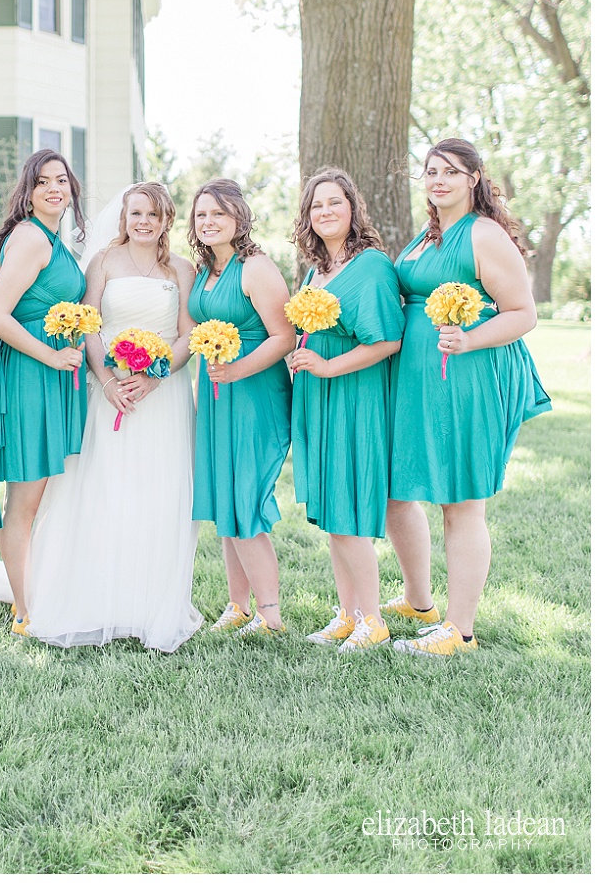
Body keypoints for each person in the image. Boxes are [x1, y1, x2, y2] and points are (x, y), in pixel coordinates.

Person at [0, 182, 203, 652]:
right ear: (124, 217)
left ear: (167, 221)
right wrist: (107, 380)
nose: (143, 221)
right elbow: (90, 322)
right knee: (104, 487)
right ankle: (98, 596)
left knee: (158, 493)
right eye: (135, 212)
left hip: (164, 395)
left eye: (153, 215)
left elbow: (187, 334)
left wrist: (155, 377)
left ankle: (148, 602)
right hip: (108, 392)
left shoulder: (182, 268)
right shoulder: (101, 262)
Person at [385, 138, 550, 657]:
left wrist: (471, 339)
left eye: (451, 172)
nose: (438, 181)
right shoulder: (427, 234)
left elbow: (523, 313)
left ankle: (460, 630)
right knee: (397, 492)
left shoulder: (484, 235)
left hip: (464, 379)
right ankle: (418, 602)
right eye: (431, 172)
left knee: (461, 502)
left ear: (474, 178)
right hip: (415, 382)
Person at [286, 168, 403, 653]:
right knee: (334, 512)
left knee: (348, 511)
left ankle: (372, 621)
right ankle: (348, 613)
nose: (325, 212)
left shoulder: (371, 265)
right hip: (319, 395)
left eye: (335, 203)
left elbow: (387, 339)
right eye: (316, 205)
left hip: (353, 398)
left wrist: (328, 367)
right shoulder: (318, 270)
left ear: (353, 208)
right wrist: (302, 356)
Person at [0, 149, 88, 636]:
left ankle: (37, 592)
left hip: (52, 374)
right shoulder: (30, 238)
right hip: (29, 375)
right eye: (42, 181)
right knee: (23, 502)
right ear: (27, 190)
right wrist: (49, 356)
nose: (53, 188)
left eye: (60, 180)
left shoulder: (50, 239)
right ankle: (25, 611)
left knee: (41, 497)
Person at [188, 178, 295, 637]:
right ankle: (237, 605)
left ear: (238, 219)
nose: (209, 222)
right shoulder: (205, 270)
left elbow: (284, 336)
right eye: (201, 215)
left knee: (246, 499)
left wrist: (239, 369)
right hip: (216, 394)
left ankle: (269, 615)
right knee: (226, 502)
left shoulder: (256, 268)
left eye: (218, 214)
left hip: (254, 393)